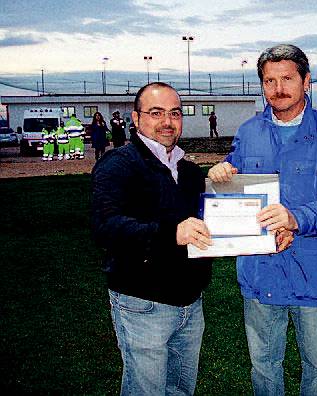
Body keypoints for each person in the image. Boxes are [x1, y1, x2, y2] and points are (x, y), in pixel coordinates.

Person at [207, 44, 317, 395]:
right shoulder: (249, 131)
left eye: (287, 78)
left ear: (306, 81)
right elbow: (233, 182)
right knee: (264, 366)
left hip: (313, 272)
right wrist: (219, 174)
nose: (278, 88)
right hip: (259, 272)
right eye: (269, 81)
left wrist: (294, 218)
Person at [91, 82, 213, 395]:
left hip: (190, 302)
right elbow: (107, 227)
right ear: (136, 118)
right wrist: (171, 233)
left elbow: (207, 225)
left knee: (181, 390)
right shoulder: (118, 165)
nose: (167, 122)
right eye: (156, 113)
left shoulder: (189, 172)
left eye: (175, 113)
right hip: (143, 303)